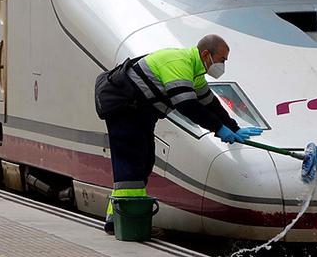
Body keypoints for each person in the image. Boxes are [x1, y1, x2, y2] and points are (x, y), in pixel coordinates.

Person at [94, 34, 263, 234]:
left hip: (139, 114)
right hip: (125, 111)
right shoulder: (179, 63)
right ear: (206, 54)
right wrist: (218, 128)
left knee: (143, 162)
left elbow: (209, 103)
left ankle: (117, 221)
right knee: (131, 167)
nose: (222, 65)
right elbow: (186, 105)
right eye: (222, 59)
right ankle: (130, 227)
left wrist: (233, 127)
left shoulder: (195, 71)